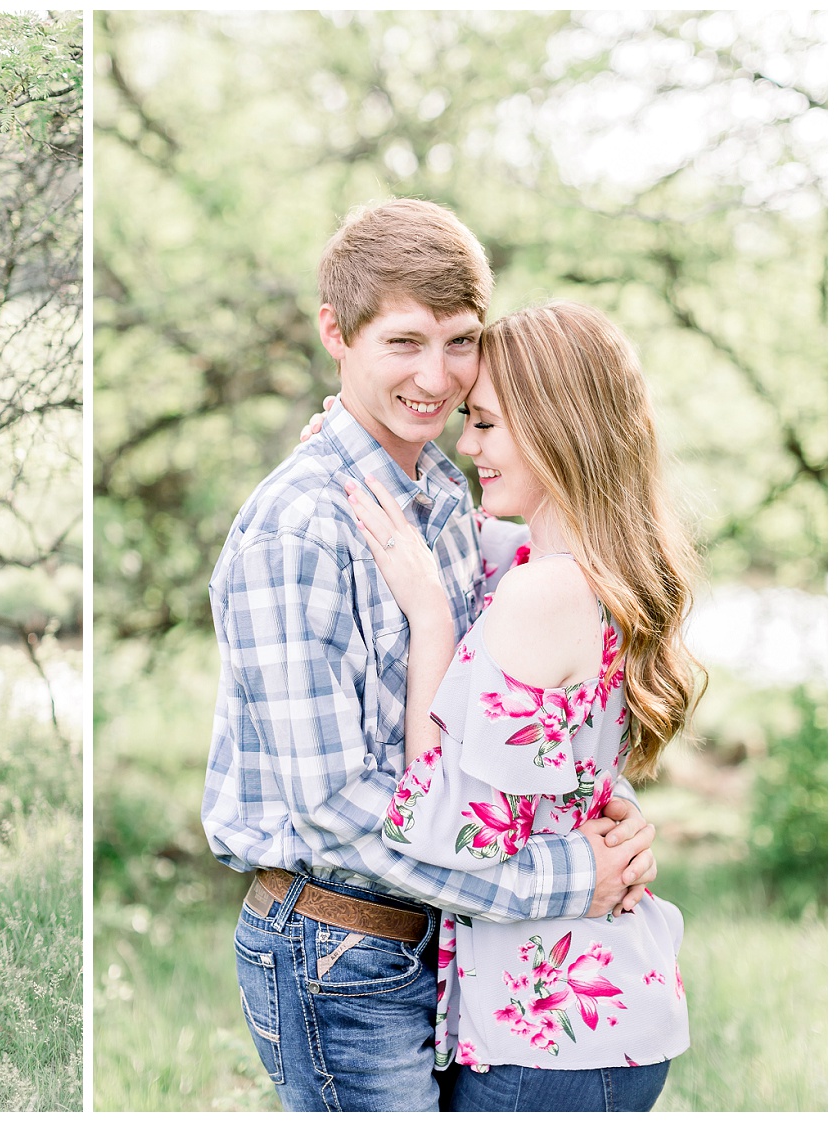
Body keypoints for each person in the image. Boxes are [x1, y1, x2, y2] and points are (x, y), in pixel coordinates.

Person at [202, 199, 660, 1112]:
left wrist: (604, 802)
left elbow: (525, 691)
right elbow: (333, 806)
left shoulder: (447, 492)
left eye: (459, 343)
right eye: (404, 343)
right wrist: (569, 875)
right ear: (337, 333)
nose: (438, 378)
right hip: (341, 943)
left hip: (444, 934)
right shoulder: (300, 530)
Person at [345, 301, 699, 1111]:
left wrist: (431, 619)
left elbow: (441, 827)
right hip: (594, 1013)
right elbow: (460, 537)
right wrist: (359, 440)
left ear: (554, 428)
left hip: (547, 1042)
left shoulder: (542, 594)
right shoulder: (587, 565)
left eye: (485, 423)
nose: (467, 447)